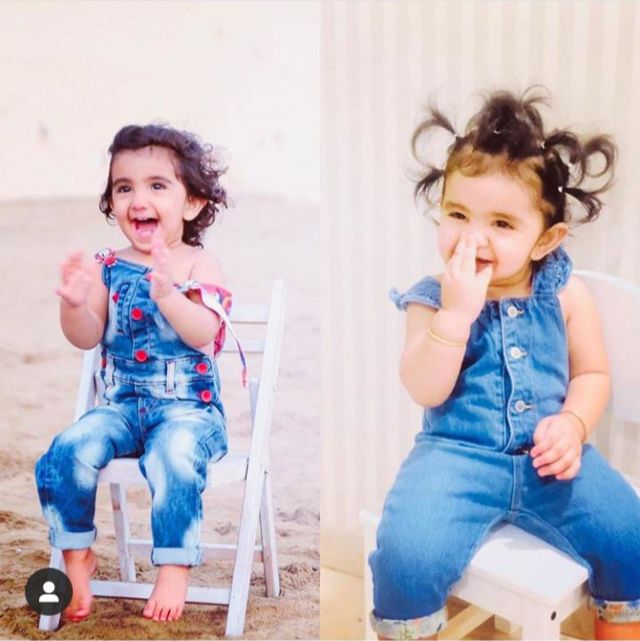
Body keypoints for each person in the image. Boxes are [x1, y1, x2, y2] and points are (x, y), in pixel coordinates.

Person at [369, 89, 640, 640]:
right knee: (404, 555)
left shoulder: (565, 294)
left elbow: (592, 374)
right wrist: (456, 316)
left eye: (501, 223)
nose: (474, 236)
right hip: (454, 461)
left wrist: (574, 424)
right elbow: (424, 388)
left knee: (628, 534)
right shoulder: (431, 299)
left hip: (551, 463)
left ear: (546, 240)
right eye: (458, 214)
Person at [35, 124, 244, 624]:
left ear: (192, 203)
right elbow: (87, 336)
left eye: (157, 185)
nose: (138, 199)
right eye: (124, 187)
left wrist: (169, 294)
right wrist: (73, 305)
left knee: (173, 456)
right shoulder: (108, 265)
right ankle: (76, 552)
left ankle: (174, 564)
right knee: (67, 449)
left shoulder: (199, 263)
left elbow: (204, 332)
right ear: (112, 202)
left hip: (188, 413)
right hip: (122, 409)